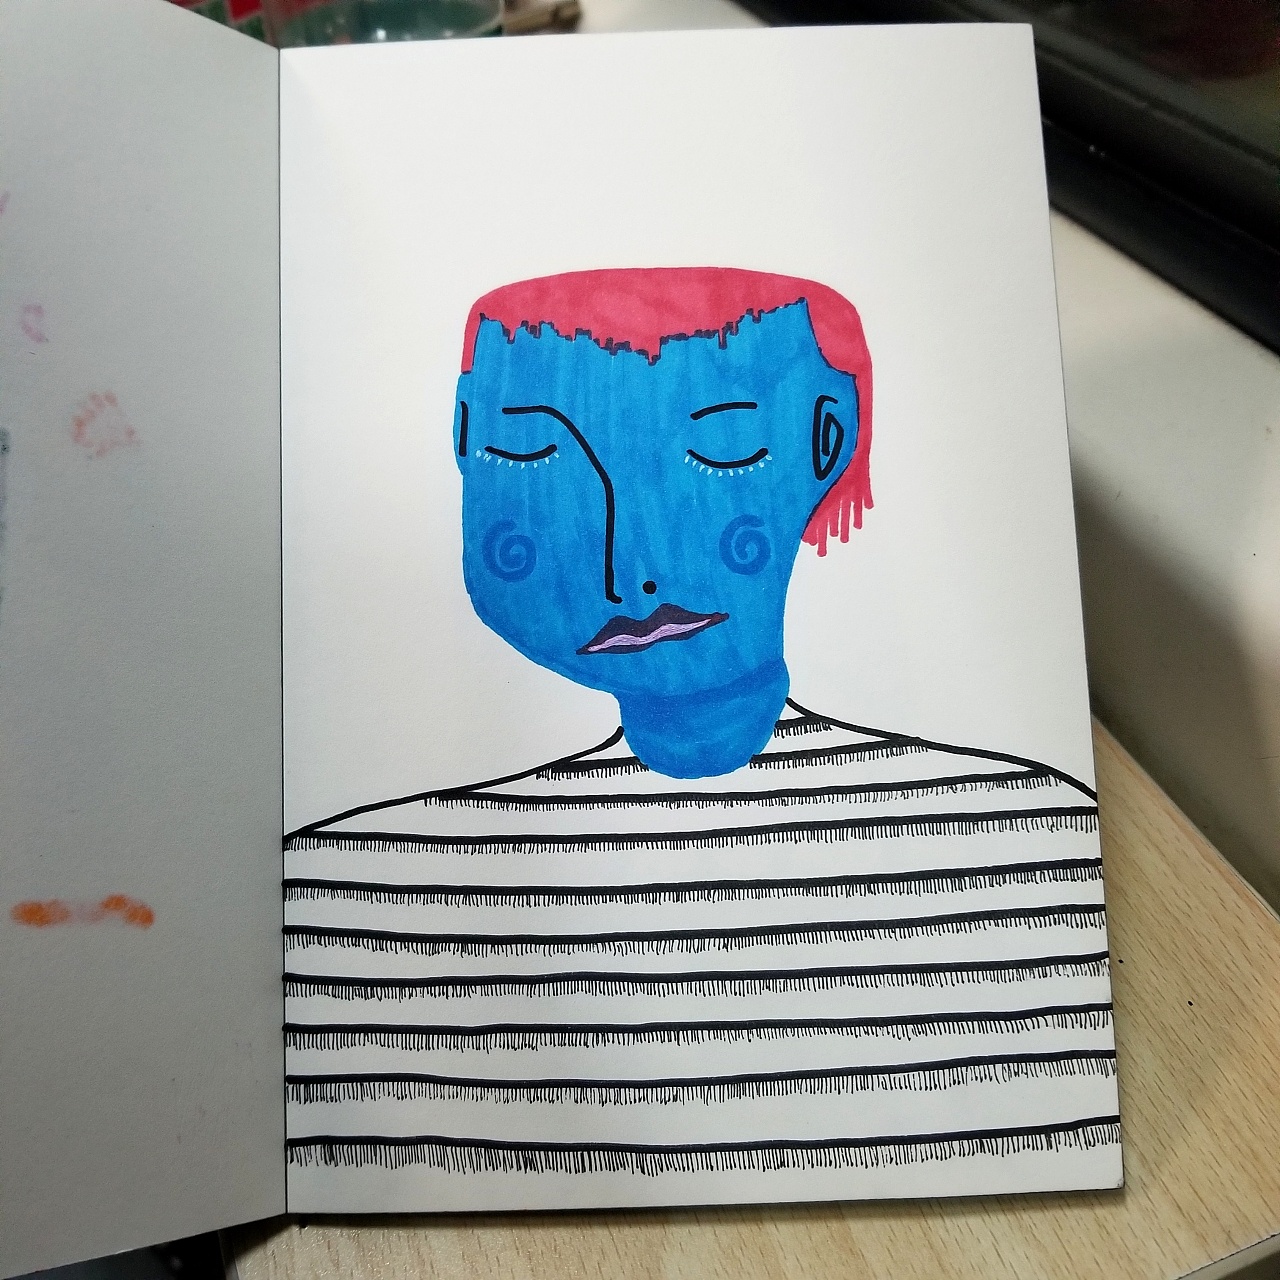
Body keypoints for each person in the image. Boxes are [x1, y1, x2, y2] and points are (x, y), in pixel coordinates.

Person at [282, 270, 1117, 1199]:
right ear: (463, 444)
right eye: (530, 452)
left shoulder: (1021, 840)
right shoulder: (353, 892)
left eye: (718, 452)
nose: (629, 566)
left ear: (828, 441)